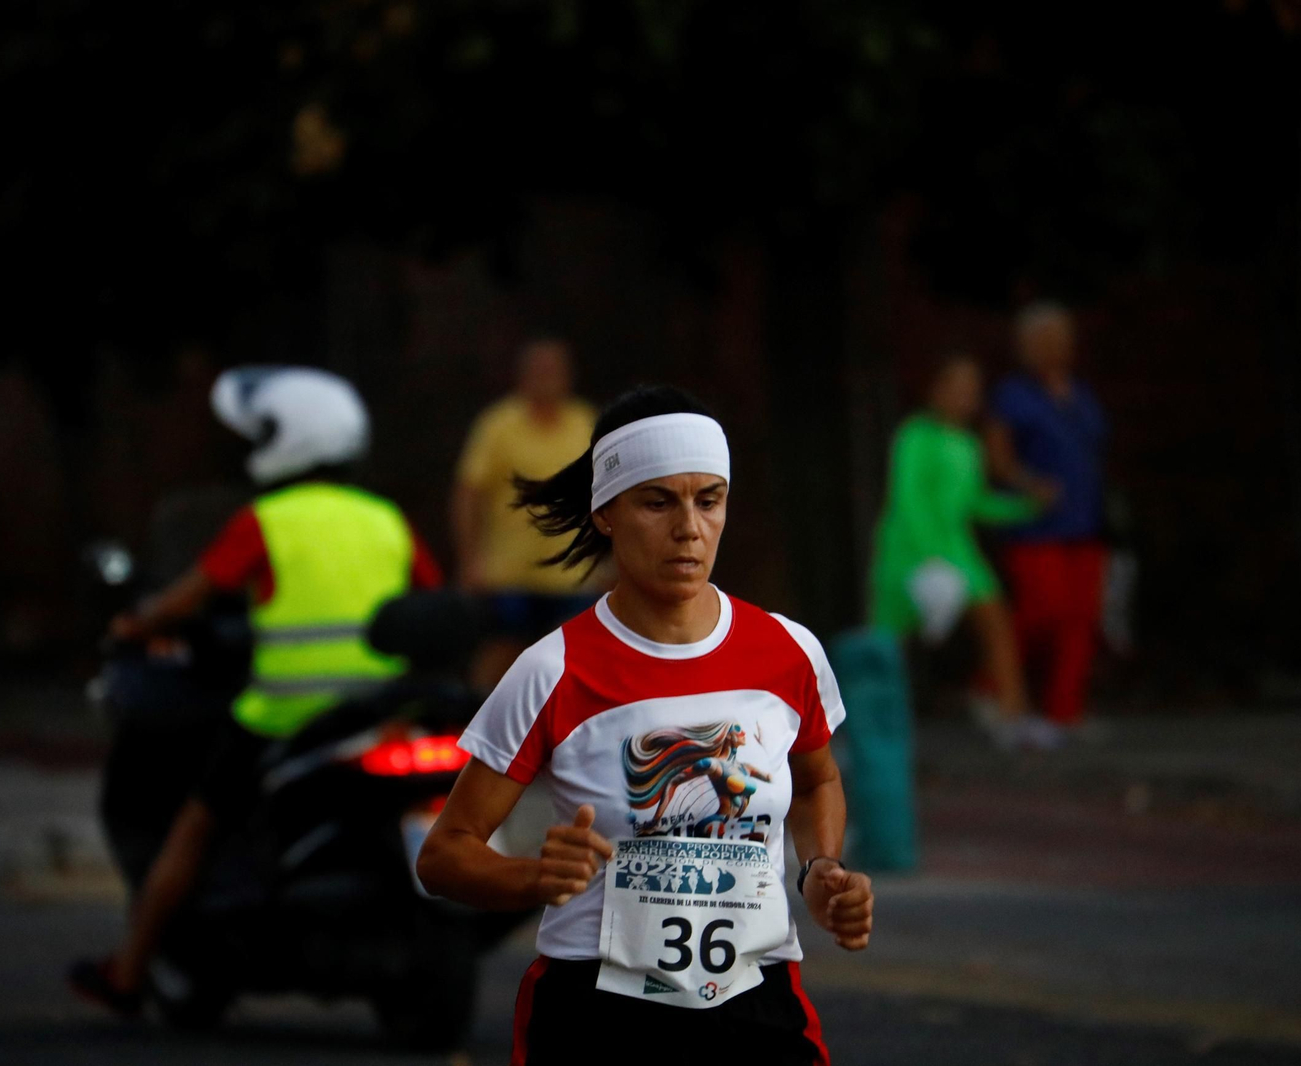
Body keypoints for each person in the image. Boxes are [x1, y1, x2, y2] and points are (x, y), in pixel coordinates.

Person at [417, 386, 873, 1066]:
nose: (689, 528)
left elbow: (815, 784)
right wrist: (534, 878)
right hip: (599, 1016)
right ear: (607, 512)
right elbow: (444, 854)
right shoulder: (554, 669)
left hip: (755, 1004)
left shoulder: (789, 651)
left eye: (708, 499)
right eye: (658, 502)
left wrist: (822, 870)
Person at [70, 366, 441, 1016]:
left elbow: (189, 597)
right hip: (382, 715)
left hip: (281, 718)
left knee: (193, 825)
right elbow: (435, 601)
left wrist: (135, 623)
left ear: (288, 439)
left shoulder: (266, 521)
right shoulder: (389, 521)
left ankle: (128, 974)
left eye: (263, 431)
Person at [868, 355, 1059, 750]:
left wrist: (1026, 506)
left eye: (971, 390)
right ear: (935, 390)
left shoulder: (970, 444)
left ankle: (1013, 717)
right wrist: (928, 557)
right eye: (955, 386)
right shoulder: (915, 435)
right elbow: (908, 499)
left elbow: (975, 504)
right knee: (886, 644)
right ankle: (866, 733)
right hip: (908, 552)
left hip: (959, 553)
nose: (963, 397)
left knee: (995, 621)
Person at [985, 302, 1109, 733]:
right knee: (1042, 612)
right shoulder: (1014, 395)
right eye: (1043, 340)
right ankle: (993, 684)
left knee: (1082, 619)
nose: (1054, 348)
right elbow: (998, 458)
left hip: (1085, 524)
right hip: (1036, 527)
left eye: (1061, 338)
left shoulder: (1080, 393)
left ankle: (1065, 710)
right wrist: (1028, 483)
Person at [450, 339, 597, 678]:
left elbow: (611, 494)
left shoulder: (586, 424)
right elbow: (469, 493)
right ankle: (480, 722)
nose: (546, 377)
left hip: (573, 575)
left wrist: (610, 560)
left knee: (573, 663)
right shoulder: (497, 425)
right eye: (538, 370)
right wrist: (469, 559)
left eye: (553, 370)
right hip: (507, 575)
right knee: (501, 657)